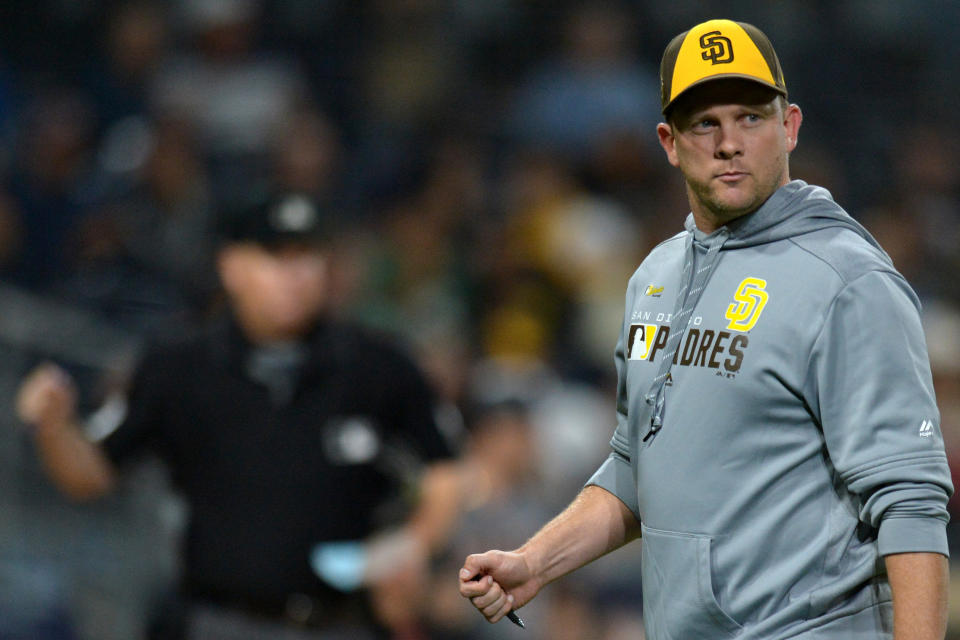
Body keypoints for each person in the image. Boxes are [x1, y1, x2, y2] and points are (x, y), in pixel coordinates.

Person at [459, 19, 952, 640]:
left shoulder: (847, 281)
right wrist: (536, 562)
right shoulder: (654, 277)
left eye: (750, 117)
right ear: (669, 141)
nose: (729, 143)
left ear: (790, 127)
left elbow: (909, 502)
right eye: (704, 124)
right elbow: (635, 466)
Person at [17, 190, 461, 640]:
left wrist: (412, 547)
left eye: (308, 255)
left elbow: (445, 473)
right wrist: (53, 426)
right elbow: (89, 475)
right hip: (220, 621)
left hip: (342, 623)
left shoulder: (378, 365)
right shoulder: (177, 365)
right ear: (232, 266)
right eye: (275, 256)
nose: (295, 274)